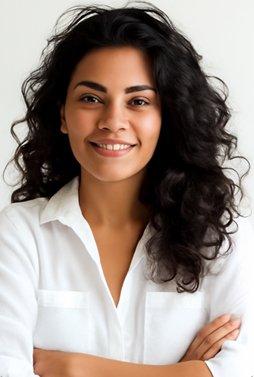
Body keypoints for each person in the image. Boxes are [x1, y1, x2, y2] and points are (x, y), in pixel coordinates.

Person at [0, 2, 253, 376]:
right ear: (63, 115)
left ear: (167, 117)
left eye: (138, 101)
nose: (113, 121)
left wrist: (75, 368)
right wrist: (187, 372)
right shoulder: (20, 234)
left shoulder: (222, 238)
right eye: (90, 98)